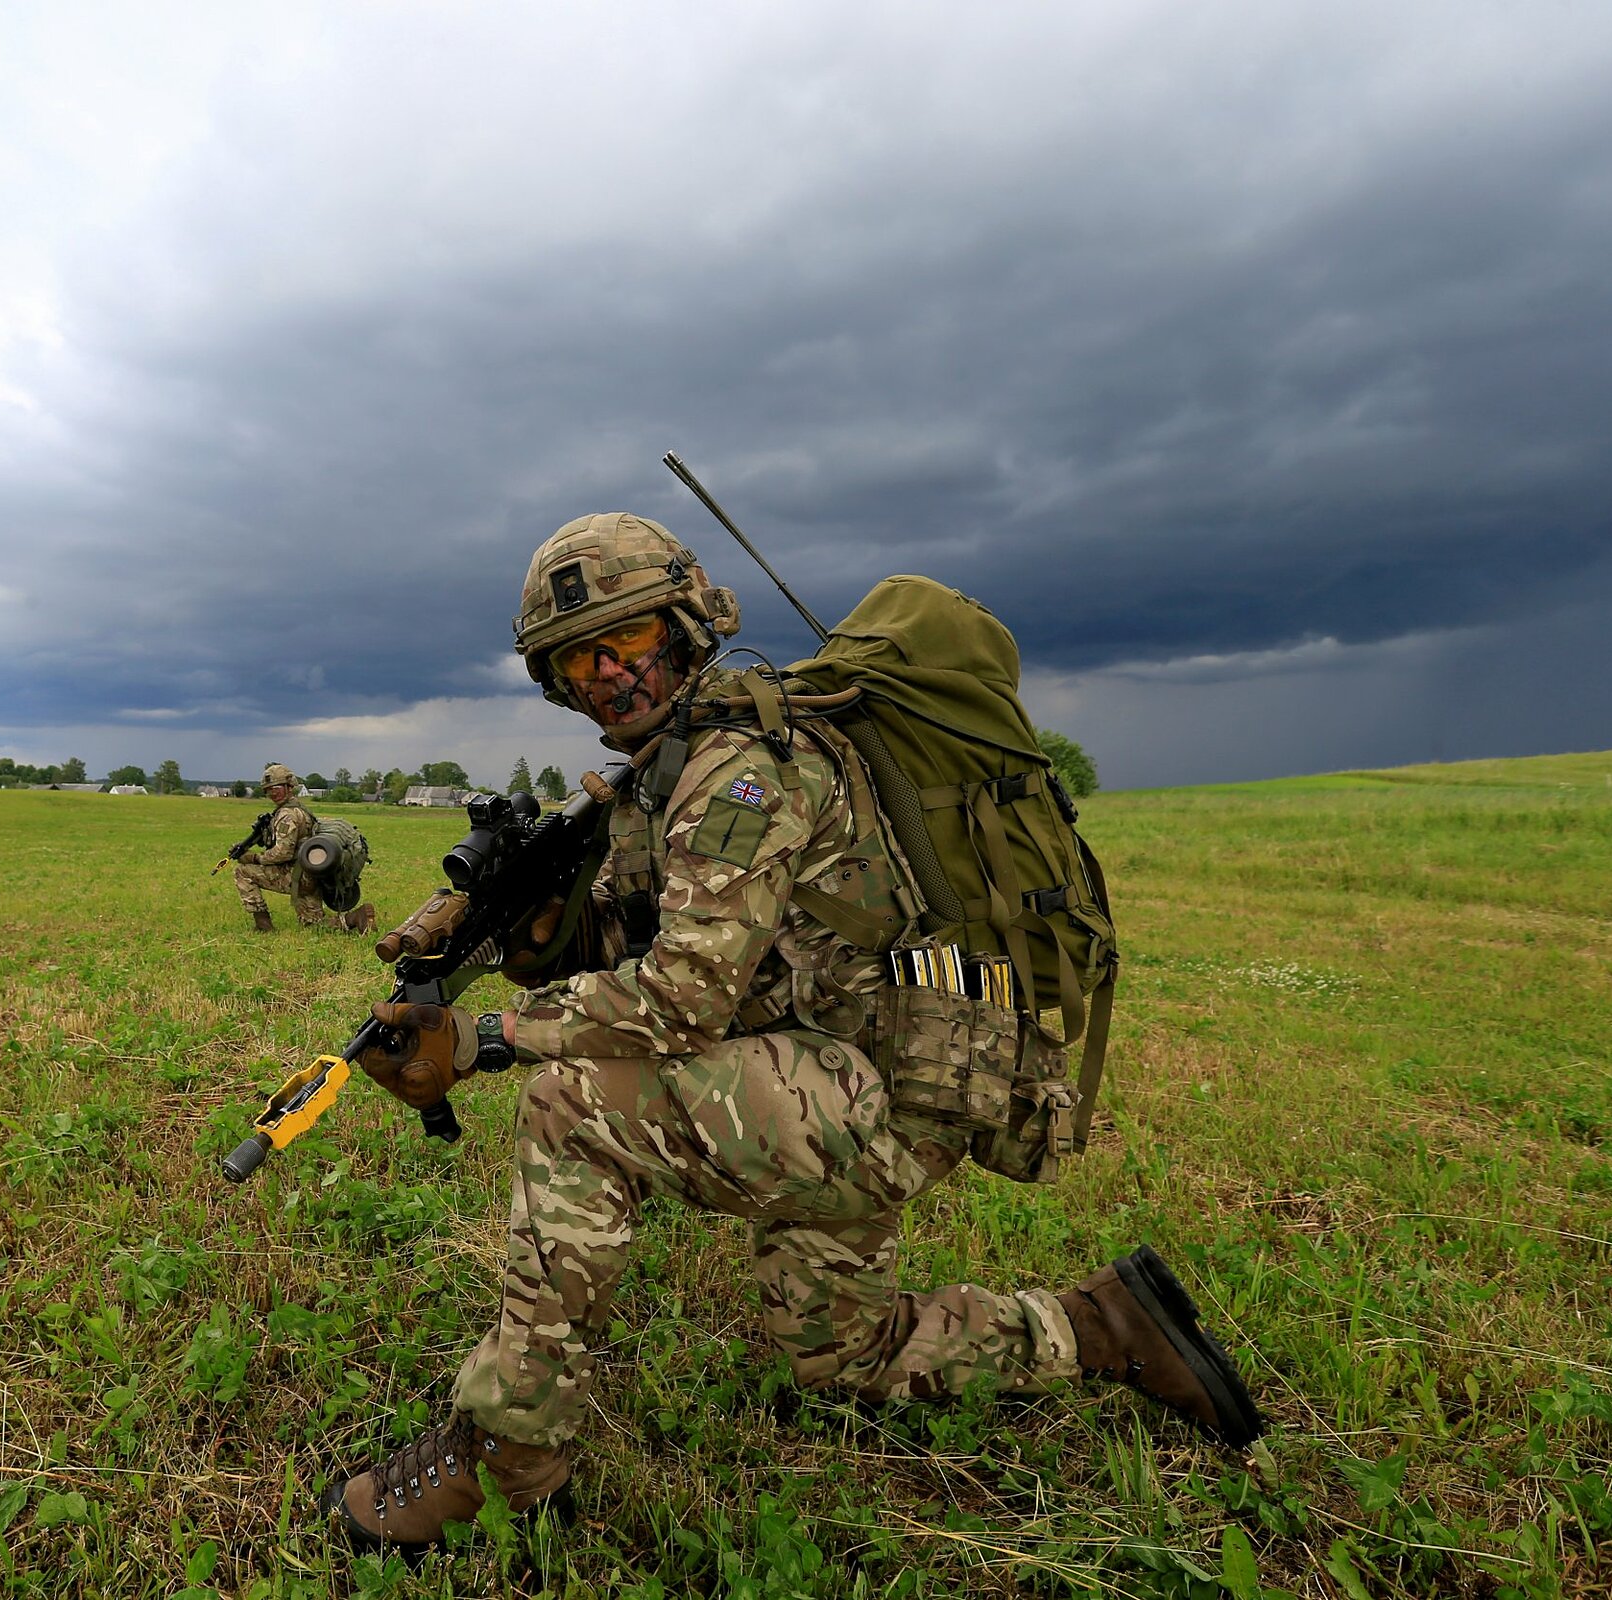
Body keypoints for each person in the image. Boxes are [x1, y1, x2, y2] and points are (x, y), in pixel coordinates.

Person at [321, 514, 1261, 1550]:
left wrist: (490, 1034)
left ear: (686, 627)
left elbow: (683, 998)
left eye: (629, 644)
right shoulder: (674, 767)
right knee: (844, 1352)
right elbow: (662, 946)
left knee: (573, 1106)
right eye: (580, 660)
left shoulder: (739, 768)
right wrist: (549, 938)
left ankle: (508, 1459)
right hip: (853, 1076)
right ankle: (1101, 1328)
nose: (609, 676)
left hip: (868, 1092)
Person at [231, 762, 377, 935]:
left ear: (289, 786)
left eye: (276, 787)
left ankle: (263, 926)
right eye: (268, 789)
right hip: (311, 874)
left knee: (243, 872)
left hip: (298, 876)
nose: (272, 793)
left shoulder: (287, 815)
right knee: (313, 925)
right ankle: (356, 918)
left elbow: (282, 853)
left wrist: (253, 858)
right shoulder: (299, 809)